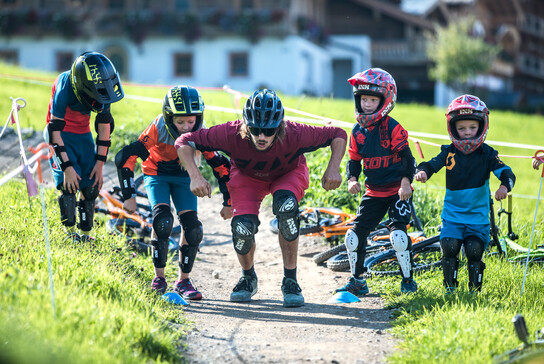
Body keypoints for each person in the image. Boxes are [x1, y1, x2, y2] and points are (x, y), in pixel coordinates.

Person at [175, 88, 347, 307]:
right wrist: (195, 176)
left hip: (288, 174)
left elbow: (338, 134)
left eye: (268, 131)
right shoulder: (230, 133)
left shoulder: (295, 133)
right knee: (242, 228)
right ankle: (248, 278)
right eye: (255, 130)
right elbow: (184, 140)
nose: (261, 136)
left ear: (280, 126)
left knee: (286, 208)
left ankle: (290, 281)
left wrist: (334, 168)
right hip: (248, 178)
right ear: (246, 124)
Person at [115, 85, 231, 298]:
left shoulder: (202, 132)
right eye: (179, 122)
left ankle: (183, 282)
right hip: (156, 174)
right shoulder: (158, 127)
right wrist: (128, 195)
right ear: (169, 118)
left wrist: (229, 202)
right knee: (163, 220)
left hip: (183, 177)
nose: (186, 127)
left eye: (190, 121)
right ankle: (159, 278)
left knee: (193, 228)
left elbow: (221, 166)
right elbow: (126, 157)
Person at [415, 94, 515, 293]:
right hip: (452, 214)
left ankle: (474, 291)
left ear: (482, 125)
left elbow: (507, 172)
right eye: (461, 128)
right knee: (449, 246)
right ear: (453, 128)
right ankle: (449, 289)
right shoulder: (449, 151)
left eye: (472, 127)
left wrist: (504, 187)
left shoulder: (488, 153)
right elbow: (431, 164)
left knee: (474, 249)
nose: (467, 133)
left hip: (477, 217)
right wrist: (422, 171)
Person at [334, 68, 418, 296]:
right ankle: (357, 280)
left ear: (385, 100)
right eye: (364, 99)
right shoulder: (357, 132)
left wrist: (405, 183)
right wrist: (352, 179)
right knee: (352, 236)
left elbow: (408, 160)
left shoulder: (393, 128)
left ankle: (408, 281)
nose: (368, 104)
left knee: (398, 237)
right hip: (373, 192)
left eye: (373, 99)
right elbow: (354, 161)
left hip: (397, 191)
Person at [45, 51, 124, 243]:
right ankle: (70, 234)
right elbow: (54, 130)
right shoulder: (65, 85)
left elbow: (104, 127)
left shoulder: (102, 90)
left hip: (83, 135)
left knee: (90, 188)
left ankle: (86, 236)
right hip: (61, 135)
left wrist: (99, 165)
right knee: (69, 186)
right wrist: (67, 168)